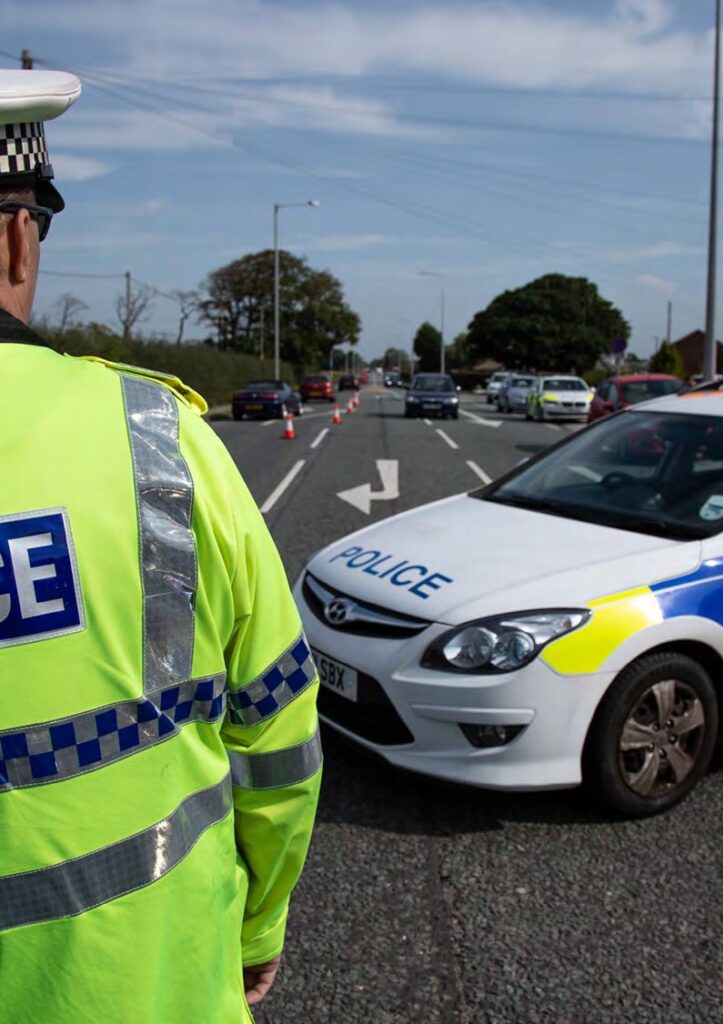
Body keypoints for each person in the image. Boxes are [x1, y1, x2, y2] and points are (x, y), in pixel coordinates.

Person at [0, 70, 322, 1023]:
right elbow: (277, 736)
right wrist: (259, 927)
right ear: (19, 235)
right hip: (146, 989)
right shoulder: (157, 439)